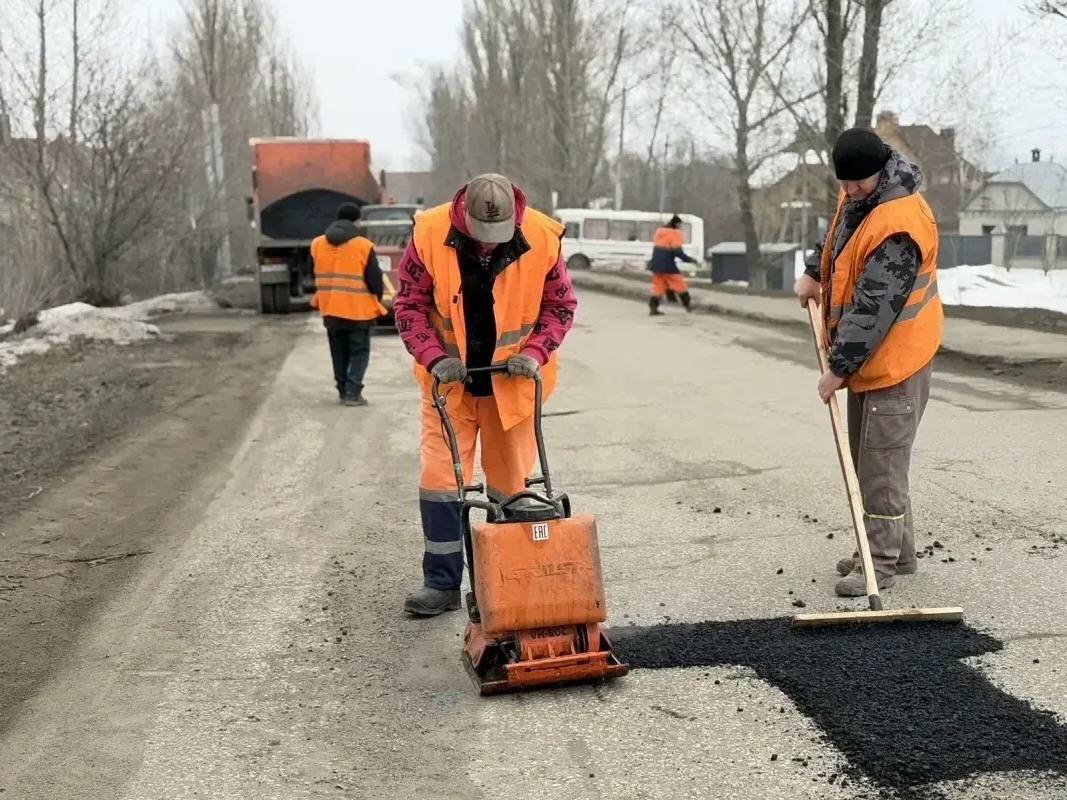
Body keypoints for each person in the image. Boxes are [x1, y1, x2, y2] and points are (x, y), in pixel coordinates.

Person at [393, 173, 578, 616]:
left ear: (516, 216)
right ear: (463, 216)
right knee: (440, 485)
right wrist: (435, 358)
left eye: (499, 237)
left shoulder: (542, 236)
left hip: (511, 390)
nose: (490, 246)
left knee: (510, 490)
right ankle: (441, 585)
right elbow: (409, 305)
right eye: (482, 237)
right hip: (450, 388)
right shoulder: (430, 233)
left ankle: (506, 586)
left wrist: (536, 352)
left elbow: (560, 306)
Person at [794, 128, 942, 598]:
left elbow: (875, 305)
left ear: (881, 170)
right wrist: (814, 270)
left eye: (859, 182)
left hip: (896, 361)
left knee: (881, 469)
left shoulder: (899, 223)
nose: (851, 190)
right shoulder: (863, 196)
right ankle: (897, 551)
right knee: (875, 460)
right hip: (873, 361)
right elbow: (839, 236)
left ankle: (877, 566)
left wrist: (837, 368)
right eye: (845, 183)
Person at [309, 202, 385, 406]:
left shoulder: (317, 243)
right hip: (358, 311)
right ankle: (353, 392)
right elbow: (374, 278)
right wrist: (377, 297)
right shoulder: (363, 245)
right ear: (357, 221)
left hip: (330, 310)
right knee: (359, 352)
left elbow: (313, 273)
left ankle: (343, 391)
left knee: (338, 351)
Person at [648, 214, 698, 315]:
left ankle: (653, 308)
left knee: (658, 287)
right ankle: (688, 305)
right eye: (679, 224)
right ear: (676, 224)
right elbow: (677, 251)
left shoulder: (659, 233)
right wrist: (689, 259)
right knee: (680, 285)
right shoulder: (675, 234)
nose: (680, 227)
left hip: (656, 264)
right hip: (668, 265)